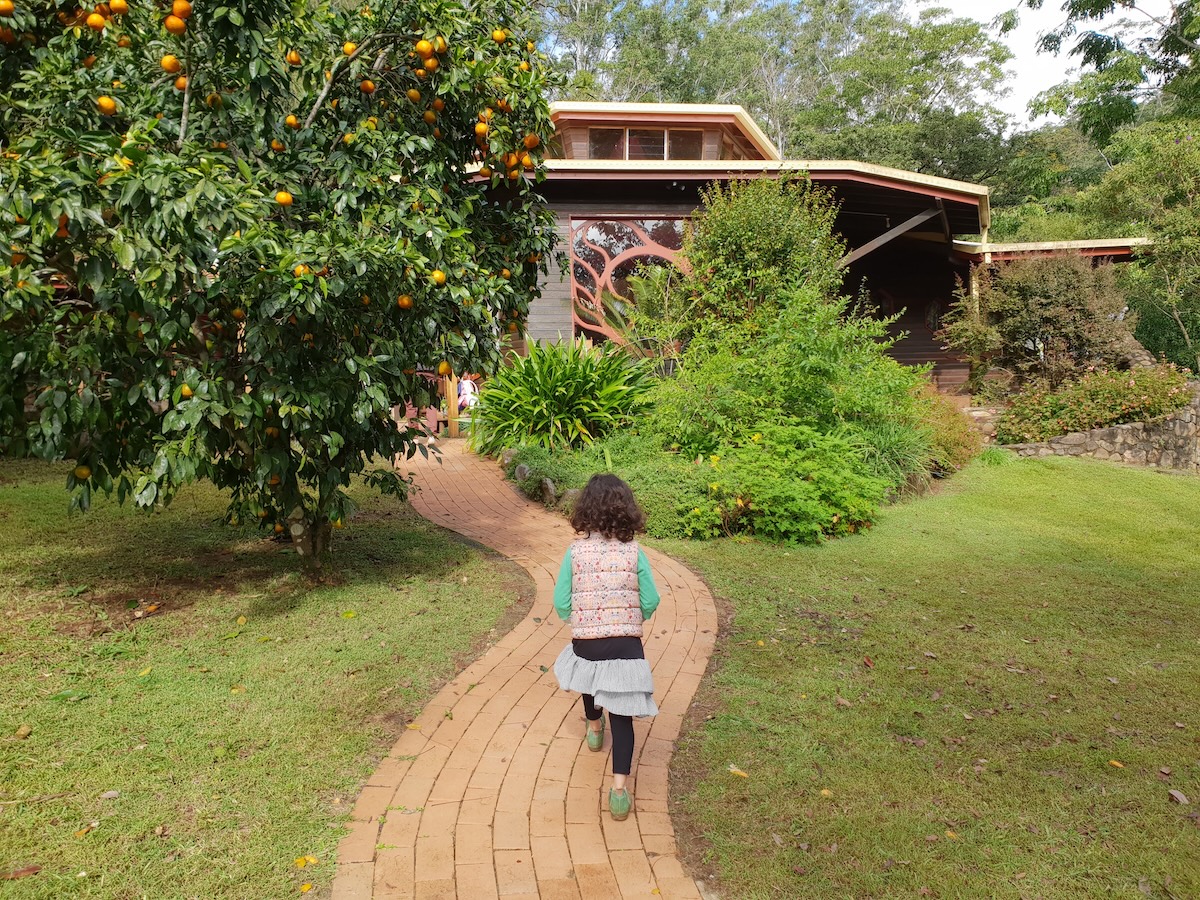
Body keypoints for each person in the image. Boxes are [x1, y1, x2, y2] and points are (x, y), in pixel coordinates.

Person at [552, 474, 660, 821]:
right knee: (623, 718)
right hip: (626, 645)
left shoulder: (575, 551)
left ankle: (595, 728)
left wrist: (581, 620)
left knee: (588, 670)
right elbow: (651, 599)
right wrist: (634, 617)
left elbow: (561, 603)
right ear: (626, 509)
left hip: (588, 640)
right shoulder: (634, 551)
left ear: (586, 509)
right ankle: (619, 792)